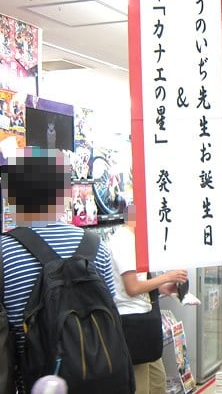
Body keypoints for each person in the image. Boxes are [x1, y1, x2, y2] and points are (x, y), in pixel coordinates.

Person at [0, 148, 117, 392]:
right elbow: (111, 312)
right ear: (65, 193)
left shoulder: (4, 251)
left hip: (33, 383)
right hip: (97, 376)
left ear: (11, 195)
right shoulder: (97, 246)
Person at [107, 216, 187, 394]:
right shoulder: (124, 240)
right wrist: (167, 277)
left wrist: (163, 288)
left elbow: (138, 284)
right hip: (132, 322)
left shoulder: (134, 238)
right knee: (141, 385)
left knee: (157, 382)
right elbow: (132, 288)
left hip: (145, 321)